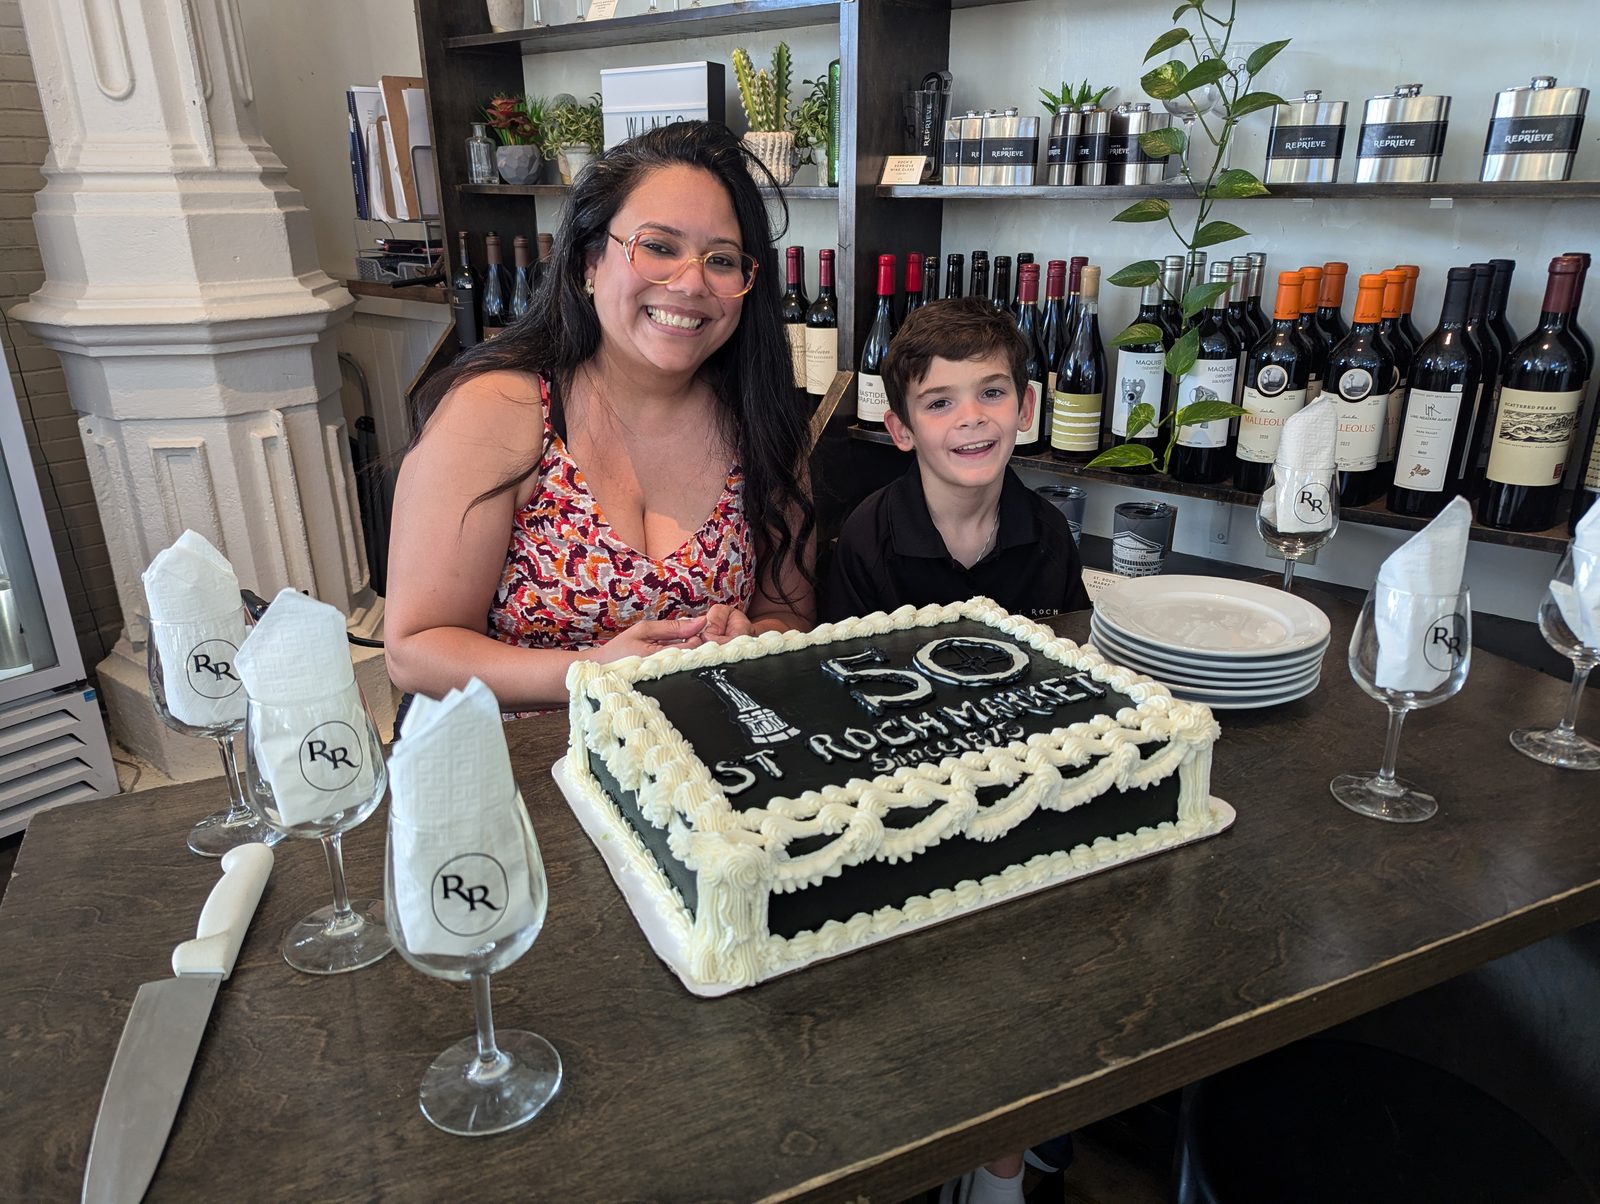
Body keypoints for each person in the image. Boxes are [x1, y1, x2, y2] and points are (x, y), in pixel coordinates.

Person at [385, 123, 816, 712]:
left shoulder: (763, 425)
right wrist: (594, 671)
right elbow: (416, 649)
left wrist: (751, 641)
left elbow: (786, 615)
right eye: (659, 247)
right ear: (591, 262)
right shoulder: (501, 410)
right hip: (524, 766)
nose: (690, 282)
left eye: (721, 259)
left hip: (697, 765)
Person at [823, 297, 1089, 624]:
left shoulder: (1052, 534)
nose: (971, 418)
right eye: (939, 403)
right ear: (903, 430)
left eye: (991, 393)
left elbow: (1074, 656)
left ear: (1025, 409)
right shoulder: (866, 539)